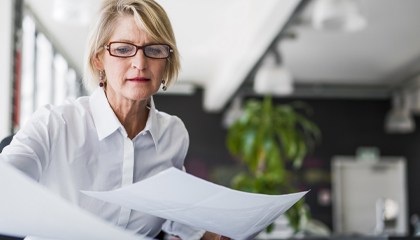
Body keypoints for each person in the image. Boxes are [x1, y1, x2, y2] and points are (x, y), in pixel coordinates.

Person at [0, 0, 229, 239]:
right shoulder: (55, 124)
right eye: (122, 49)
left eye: (155, 49)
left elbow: (168, 208)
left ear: (167, 60)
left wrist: (209, 234)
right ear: (99, 59)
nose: (140, 64)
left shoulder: (173, 135)